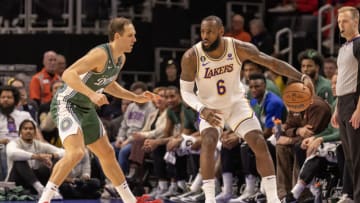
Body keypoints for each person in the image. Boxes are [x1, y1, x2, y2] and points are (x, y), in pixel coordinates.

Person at [179, 15, 314, 203]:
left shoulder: (238, 47)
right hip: (209, 107)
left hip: (236, 104)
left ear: (221, 32)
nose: (205, 36)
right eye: (202, 31)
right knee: (209, 141)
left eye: (209, 31)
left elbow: (272, 63)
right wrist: (202, 109)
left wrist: (301, 76)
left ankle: (273, 198)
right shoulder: (191, 56)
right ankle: (209, 198)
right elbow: (185, 92)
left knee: (258, 141)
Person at [38, 17, 161, 203]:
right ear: (117, 36)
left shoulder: (120, 58)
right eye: (130, 35)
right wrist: (92, 94)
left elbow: (108, 83)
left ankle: (130, 200)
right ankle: (44, 199)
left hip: (85, 107)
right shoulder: (100, 54)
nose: (134, 39)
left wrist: (135, 97)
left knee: (107, 153)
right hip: (67, 103)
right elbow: (68, 74)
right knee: (76, 152)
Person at [332, 6, 360, 203]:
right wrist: (336, 108)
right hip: (342, 103)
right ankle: (350, 194)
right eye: (339, 22)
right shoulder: (343, 48)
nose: (340, 25)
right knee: (349, 156)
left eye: (345, 21)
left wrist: (359, 108)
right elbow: (343, 79)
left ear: (356, 22)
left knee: (358, 157)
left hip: (354, 102)